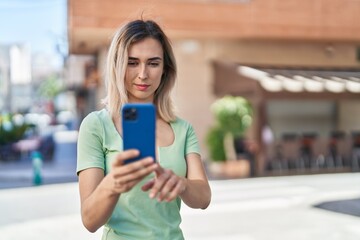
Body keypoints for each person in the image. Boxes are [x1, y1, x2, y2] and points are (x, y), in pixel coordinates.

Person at [76, 19, 212, 240]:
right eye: (132, 62)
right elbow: (90, 220)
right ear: (117, 65)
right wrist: (113, 183)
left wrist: (183, 184)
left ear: (165, 70)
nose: (143, 74)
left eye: (153, 63)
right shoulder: (96, 125)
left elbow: (204, 198)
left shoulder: (182, 129)